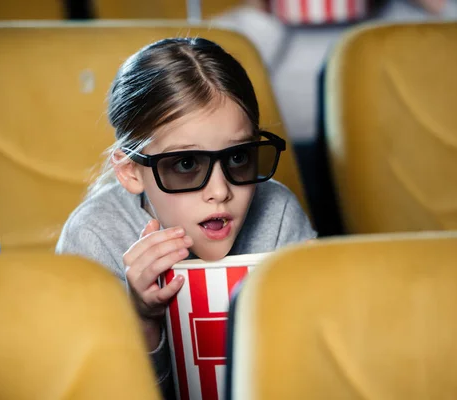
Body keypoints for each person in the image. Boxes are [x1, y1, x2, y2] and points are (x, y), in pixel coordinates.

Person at [55, 37, 317, 398]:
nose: (220, 191)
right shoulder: (95, 237)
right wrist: (144, 319)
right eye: (186, 164)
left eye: (239, 157)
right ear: (131, 172)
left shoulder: (278, 213)